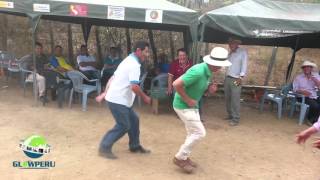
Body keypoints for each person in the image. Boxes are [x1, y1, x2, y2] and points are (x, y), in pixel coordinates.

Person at [172, 47, 231, 173]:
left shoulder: (208, 71)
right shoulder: (198, 71)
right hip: (183, 106)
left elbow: (197, 88)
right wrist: (188, 100)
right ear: (213, 63)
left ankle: (184, 157)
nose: (220, 68)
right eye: (220, 65)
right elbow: (176, 84)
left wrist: (209, 89)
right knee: (199, 133)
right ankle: (179, 158)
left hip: (192, 106)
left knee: (192, 133)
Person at [96, 41, 152, 159]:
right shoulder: (134, 65)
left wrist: (105, 93)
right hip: (118, 100)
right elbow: (134, 87)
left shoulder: (128, 60)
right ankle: (104, 147)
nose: (147, 54)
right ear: (138, 50)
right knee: (124, 125)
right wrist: (145, 97)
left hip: (120, 99)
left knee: (134, 120)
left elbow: (113, 77)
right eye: (146, 51)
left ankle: (134, 146)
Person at [224, 37, 248, 126]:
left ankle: (236, 118)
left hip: (236, 79)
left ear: (237, 44)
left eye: (233, 43)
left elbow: (244, 65)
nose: (231, 45)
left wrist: (241, 77)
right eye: (230, 43)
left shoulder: (242, 52)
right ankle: (230, 115)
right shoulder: (230, 53)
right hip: (227, 78)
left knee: (235, 99)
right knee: (227, 98)